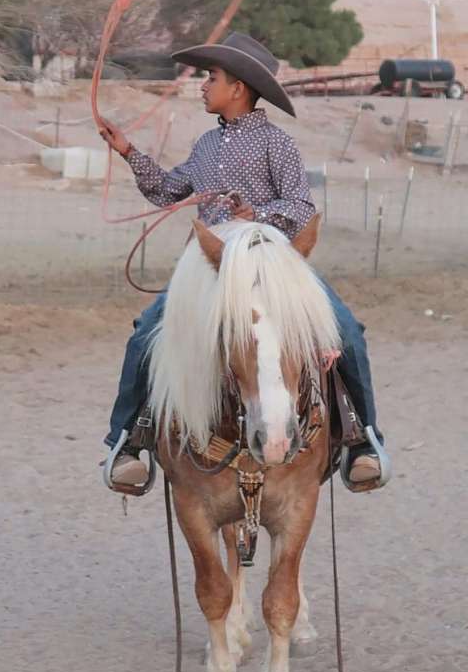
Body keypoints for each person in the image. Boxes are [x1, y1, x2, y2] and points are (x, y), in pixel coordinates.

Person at [99, 32, 388, 490]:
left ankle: (361, 438)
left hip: (271, 263)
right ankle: (129, 441)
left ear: (238, 88)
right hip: (211, 265)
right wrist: (129, 152)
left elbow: (300, 205)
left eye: (211, 77)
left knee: (346, 332)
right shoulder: (205, 147)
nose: (202, 85)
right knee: (145, 335)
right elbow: (168, 190)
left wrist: (261, 215)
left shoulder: (277, 144)